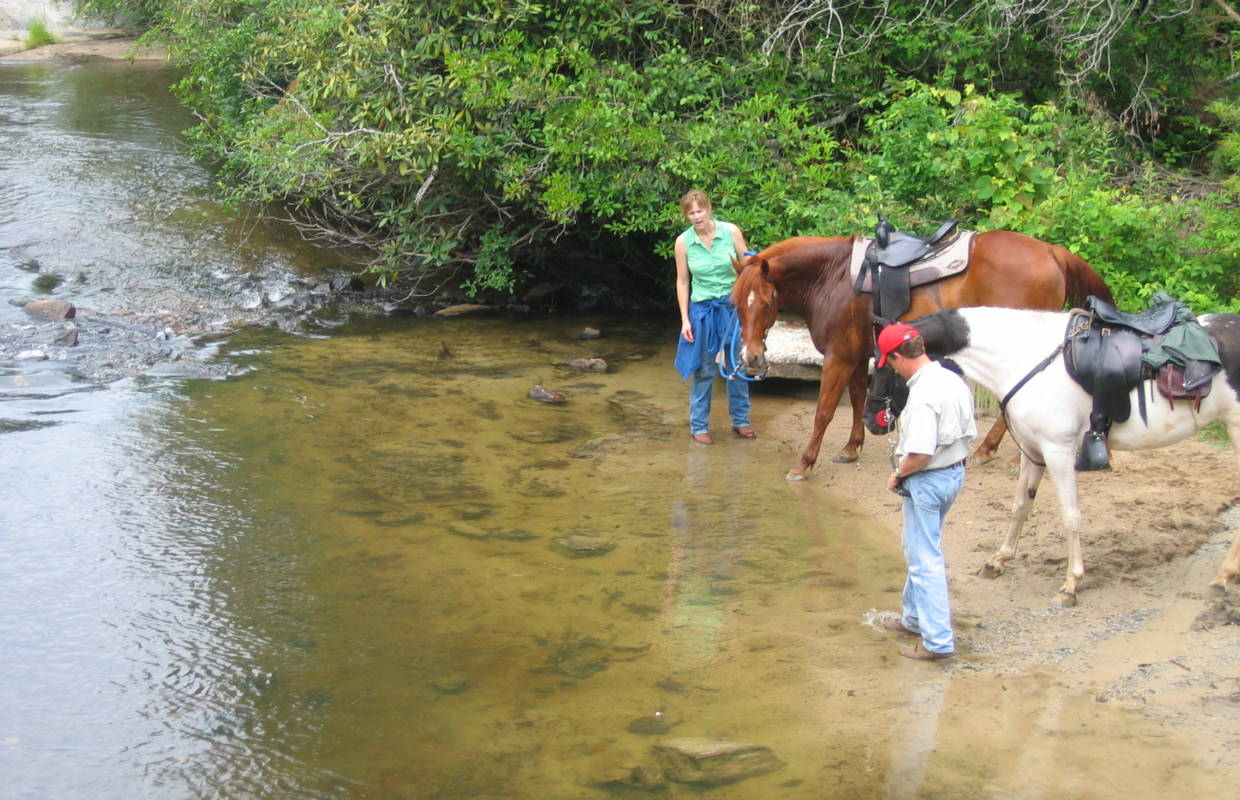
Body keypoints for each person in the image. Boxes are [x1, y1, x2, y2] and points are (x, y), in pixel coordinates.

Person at [877, 322, 976, 661]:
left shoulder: (921, 396)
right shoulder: (951, 378)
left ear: (897, 356)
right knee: (917, 546)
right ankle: (913, 618)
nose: (892, 370)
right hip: (954, 474)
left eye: (889, 363)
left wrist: (897, 475)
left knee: (925, 560)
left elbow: (920, 454)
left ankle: (938, 643)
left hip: (928, 480)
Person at [672, 189, 755, 445]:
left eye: (700, 211)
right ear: (686, 216)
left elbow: (748, 266)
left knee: (736, 364)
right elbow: (683, 281)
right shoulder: (683, 242)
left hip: (731, 308)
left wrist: (750, 301)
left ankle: (741, 420)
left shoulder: (730, 232)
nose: (697, 217)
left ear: (709, 209)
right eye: (691, 213)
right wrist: (685, 319)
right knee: (704, 368)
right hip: (702, 310)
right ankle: (699, 425)